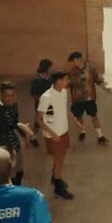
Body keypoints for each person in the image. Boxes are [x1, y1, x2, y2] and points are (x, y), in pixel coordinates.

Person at [0, 81, 35, 186]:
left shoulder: (13, 105)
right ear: (2, 95)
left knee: (19, 173)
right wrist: (22, 127)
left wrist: (25, 137)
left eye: (12, 95)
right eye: (7, 96)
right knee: (8, 179)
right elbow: (0, 129)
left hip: (15, 146)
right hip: (4, 149)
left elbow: (15, 123)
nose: (10, 98)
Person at [36, 71, 74, 199]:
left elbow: (65, 110)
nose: (68, 81)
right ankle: (58, 189)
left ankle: (55, 178)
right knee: (58, 161)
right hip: (54, 135)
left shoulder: (64, 92)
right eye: (66, 79)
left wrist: (77, 123)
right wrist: (52, 134)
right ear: (58, 81)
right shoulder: (46, 97)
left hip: (63, 131)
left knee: (60, 158)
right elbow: (39, 119)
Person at [67, 51, 108, 144]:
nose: (73, 63)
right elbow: (67, 83)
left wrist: (105, 87)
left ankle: (100, 136)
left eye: (74, 61)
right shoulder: (71, 71)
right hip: (77, 98)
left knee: (94, 116)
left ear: (79, 59)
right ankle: (82, 132)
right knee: (78, 116)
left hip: (90, 97)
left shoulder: (90, 68)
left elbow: (98, 79)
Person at [30, 59, 54, 143]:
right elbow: (33, 94)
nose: (51, 69)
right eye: (50, 67)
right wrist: (41, 99)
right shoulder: (37, 80)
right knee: (38, 122)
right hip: (41, 105)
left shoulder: (51, 78)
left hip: (51, 104)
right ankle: (32, 137)